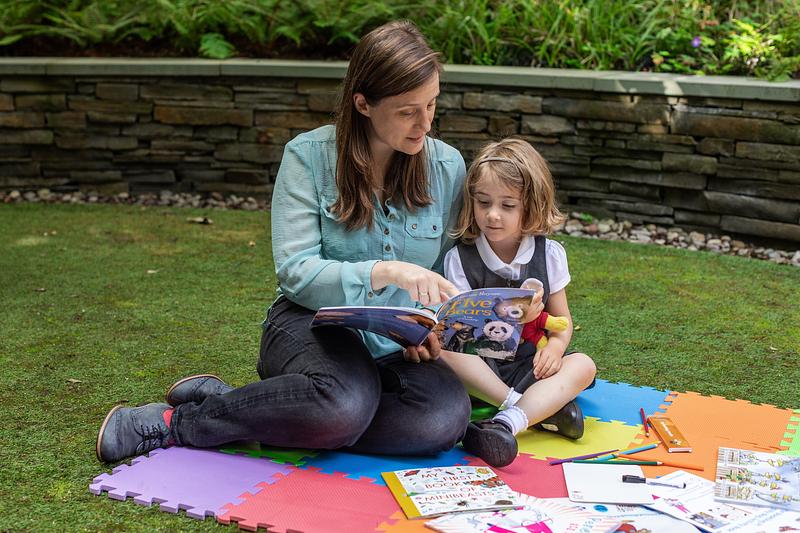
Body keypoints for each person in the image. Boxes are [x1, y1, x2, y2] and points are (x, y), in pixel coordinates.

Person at [95, 20, 504, 464]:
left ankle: (269, 404)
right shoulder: (307, 157)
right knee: (345, 403)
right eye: (408, 111)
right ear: (363, 104)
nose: (425, 124)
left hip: (393, 345)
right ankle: (178, 423)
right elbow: (296, 274)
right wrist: (384, 272)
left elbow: (445, 272)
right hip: (307, 325)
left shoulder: (447, 166)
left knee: (442, 421)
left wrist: (430, 324)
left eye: (432, 105)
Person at [440, 138, 597, 467]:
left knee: (584, 366)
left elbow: (562, 321)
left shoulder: (549, 254)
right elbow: (460, 332)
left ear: (531, 206)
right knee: (443, 348)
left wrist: (555, 348)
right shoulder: (461, 258)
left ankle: (506, 424)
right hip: (483, 369)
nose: (492, 215)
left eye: (507, 206)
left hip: (532, 364)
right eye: (483, 202)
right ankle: (532, 408)